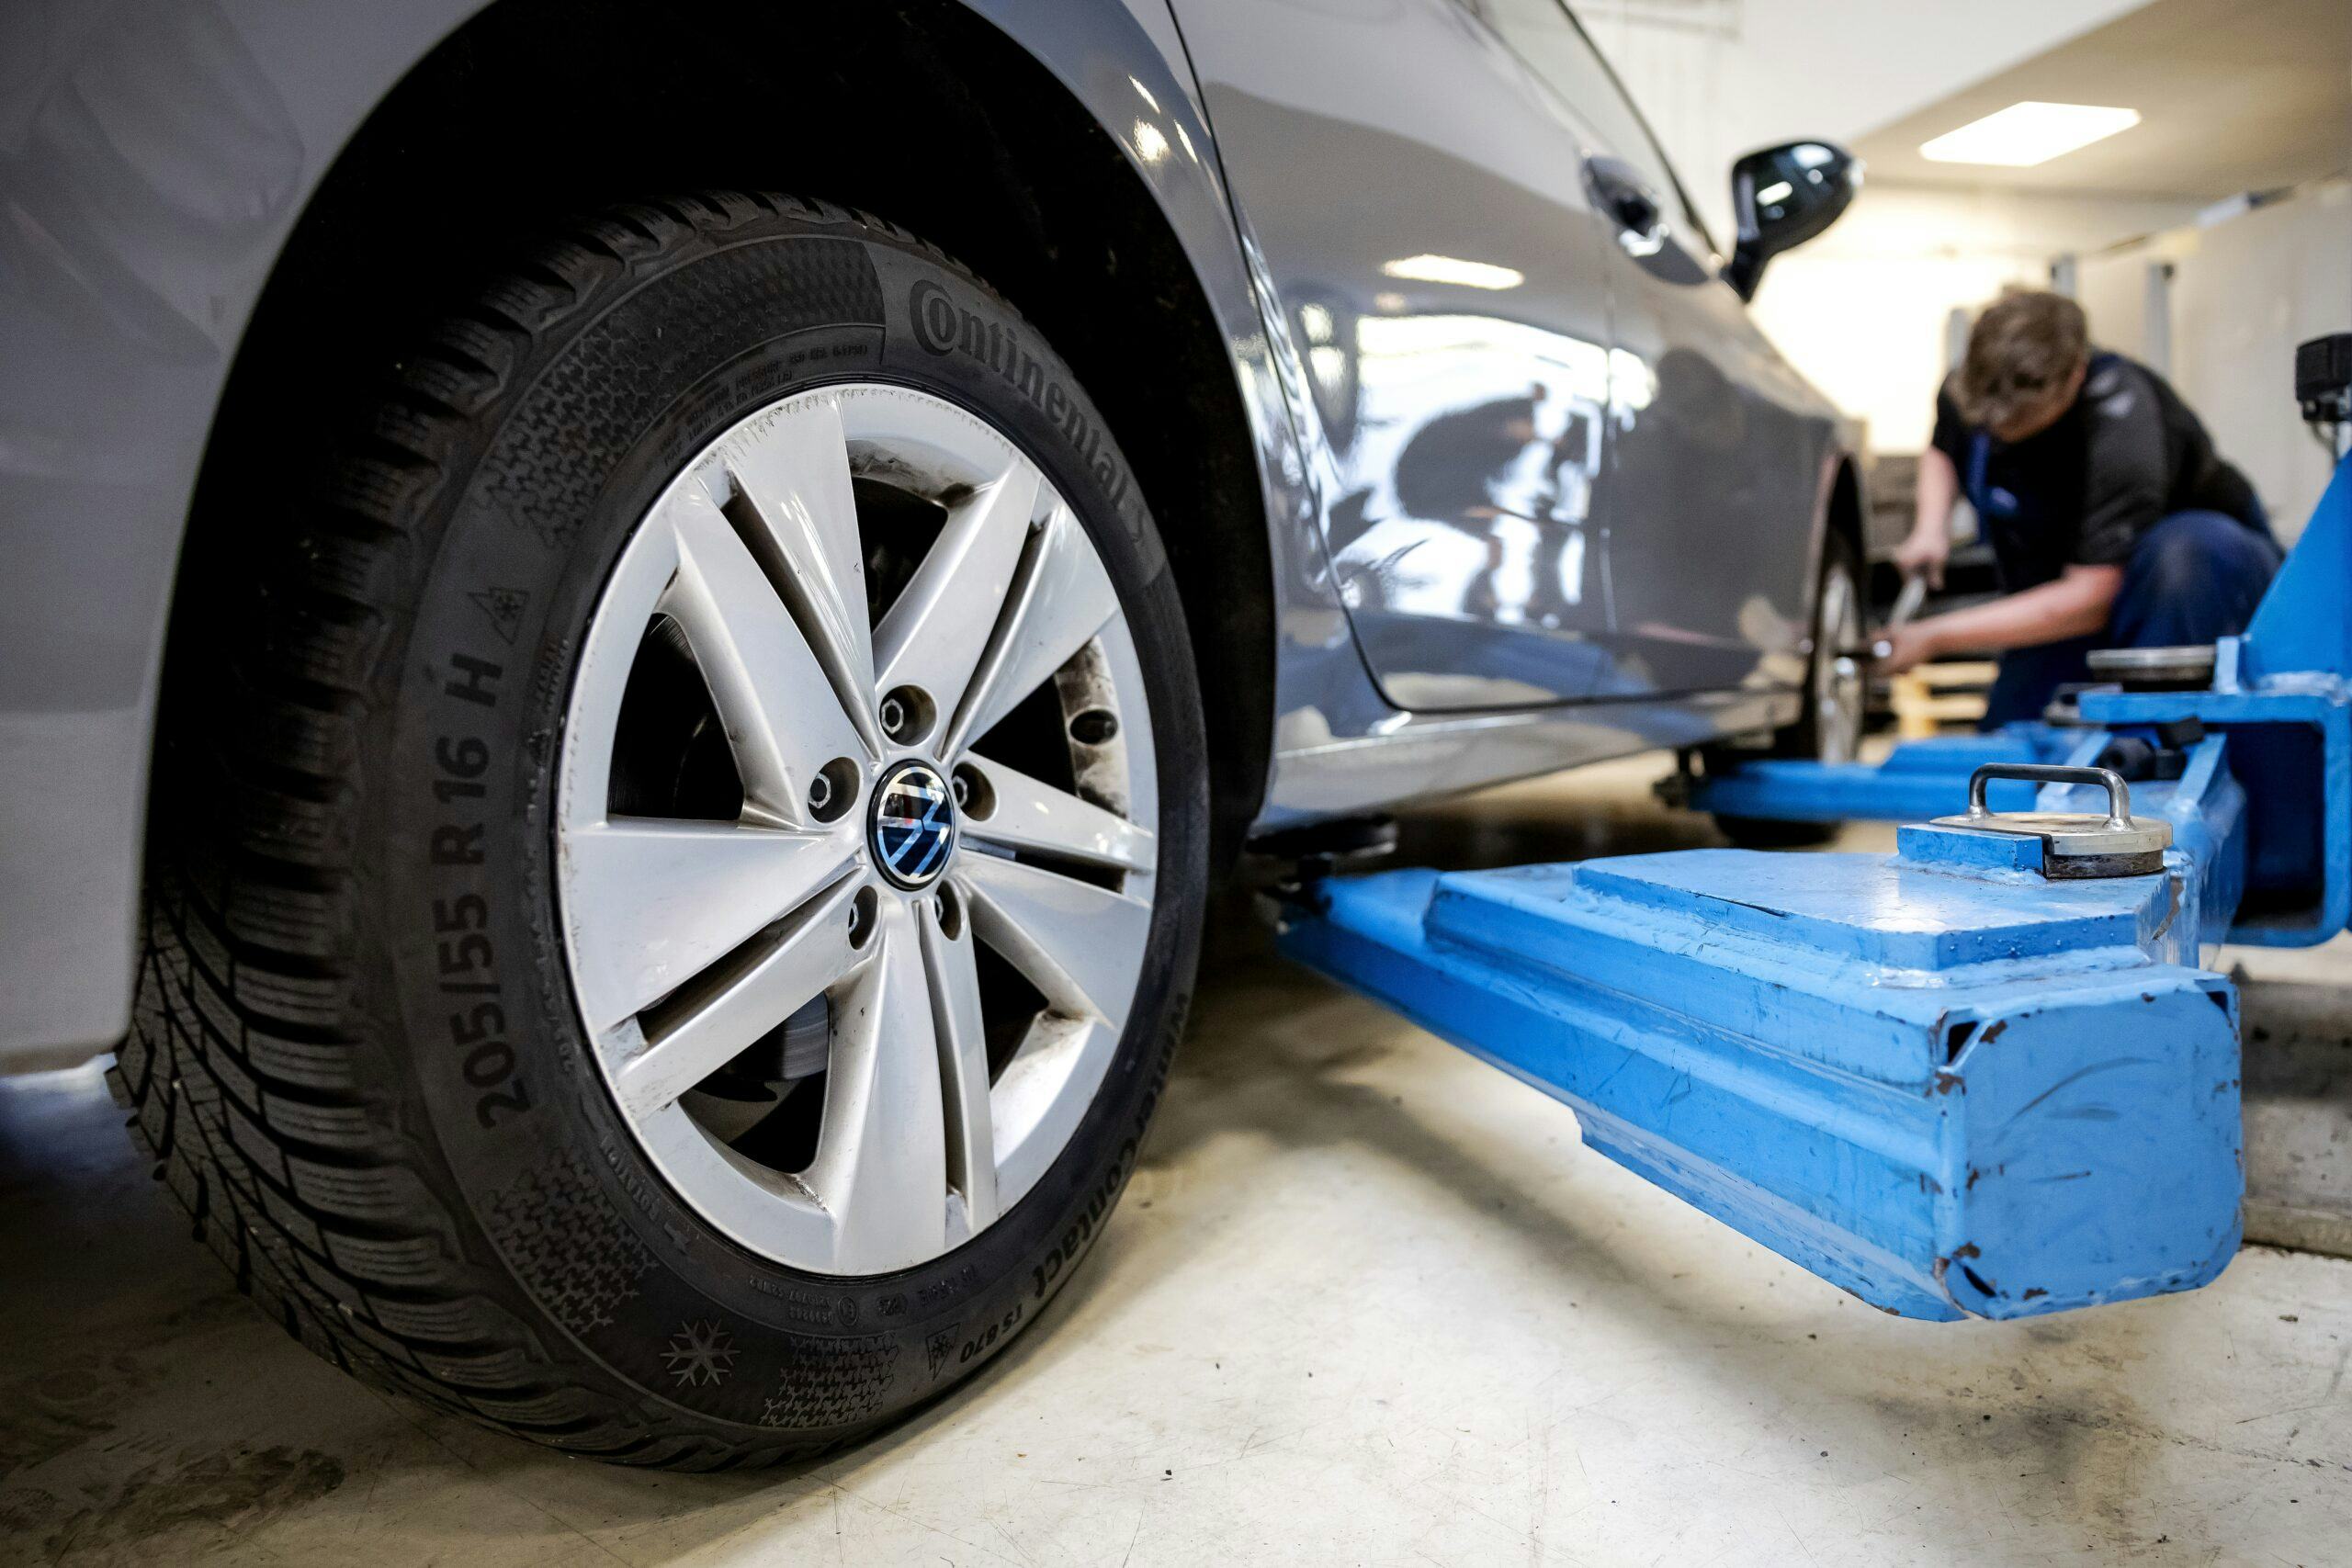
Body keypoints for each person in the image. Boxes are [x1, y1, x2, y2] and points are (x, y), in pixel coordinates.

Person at [1880, 289, 2281, 727]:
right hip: (2066, 593)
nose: (1996, 425)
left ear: (2075, 375)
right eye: (1984, 420)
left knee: (2186, 559)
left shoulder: (2121, 423)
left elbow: (2092, 595)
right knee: (2010, 744)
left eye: (2017, 418)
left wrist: (1934, 637)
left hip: (2196, 588)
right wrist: (1930, 528)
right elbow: (1943, 447)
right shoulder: (1971, 385)